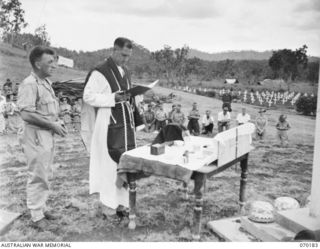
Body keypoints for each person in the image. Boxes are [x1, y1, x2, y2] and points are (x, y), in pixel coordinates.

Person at [81, 37, 144, 218]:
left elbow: (129, 97)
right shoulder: (100, 72)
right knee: (109, 163)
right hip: (108, 123)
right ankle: (108, 205)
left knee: (123, 163)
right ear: (114, 50)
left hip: (125, 125)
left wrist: (137, 118)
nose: (126, 59)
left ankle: (122, 204)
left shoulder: (125, 72)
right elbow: (88, 96)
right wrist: (112, 98)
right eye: (123, 55)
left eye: (128, 56)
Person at [17, 46, 67, 229]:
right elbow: (26, 114)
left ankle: (41, 208)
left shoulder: (45, 83)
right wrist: (51, 124)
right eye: (50, 62)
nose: (54, 66)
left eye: (54, 62)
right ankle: (37, 217)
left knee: (45, 172)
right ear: (38, 64)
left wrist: (56, 121)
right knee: (38, 174)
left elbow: (46, 111)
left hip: (45, 134)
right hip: (35, 135)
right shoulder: (30, 84)